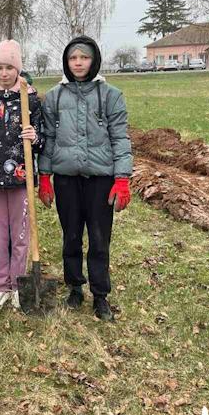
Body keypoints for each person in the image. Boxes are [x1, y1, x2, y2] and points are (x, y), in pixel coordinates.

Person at [37, 36, 133, 322]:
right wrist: (44, 175)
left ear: (94, 61)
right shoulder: (55, 96)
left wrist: (122, 178)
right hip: (67, 179)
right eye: (72, 58)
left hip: (100, 180)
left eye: (84, 58)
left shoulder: (110, 95)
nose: (78, 63)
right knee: (72, 236)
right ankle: (75, 287)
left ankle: (100, 295)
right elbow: (49, 139)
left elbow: (120, 138)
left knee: (100, 238)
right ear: (67, 63)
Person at [0, 40, 44, 310]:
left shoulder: (30, 98)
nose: (4, 73)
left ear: (18, 68)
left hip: (21, 176)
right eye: (0, 68)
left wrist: (35, 136)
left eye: (9, 68)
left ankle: (18, 284)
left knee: (20, 233)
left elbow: (43, 138)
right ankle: (1, 285)